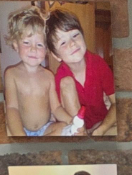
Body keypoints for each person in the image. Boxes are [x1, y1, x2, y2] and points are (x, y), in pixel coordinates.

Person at [2, 6, 70, 138]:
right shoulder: (11, 74)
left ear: (46, 49)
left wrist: (70, 120)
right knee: (6, 129)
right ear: (16, 45)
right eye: (27, 43)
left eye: (39, 45)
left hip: (45, 129)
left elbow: (56, 108)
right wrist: (20, 135)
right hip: (22, 129)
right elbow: (12, 108)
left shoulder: (49, 76)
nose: (33, 49)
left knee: (62, 127)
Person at [47, 7, 116, 138]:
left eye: (75, 35)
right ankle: (82, 136)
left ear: (83, 36)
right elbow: (58, 112)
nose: (72, 43)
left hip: (101, 124)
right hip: (77, 129)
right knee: (66, 82)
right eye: (63, 42)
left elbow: (116, 103)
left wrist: (101, 130)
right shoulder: (60, 78)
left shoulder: (98, 63)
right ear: (56, 56)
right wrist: (75, 126)